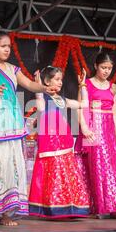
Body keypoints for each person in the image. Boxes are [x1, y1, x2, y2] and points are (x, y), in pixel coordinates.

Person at [0, 32, 57, 226]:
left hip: (12, 126)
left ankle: (7, 214)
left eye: (9, 46)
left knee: (12, 167)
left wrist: (44, 88)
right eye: (3, 46)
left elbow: (30, 85)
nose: (7, 49)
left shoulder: (13, 69)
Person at [28, 66, 91, 219]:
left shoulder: (62, 100)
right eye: (57, 79)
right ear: (47, 81)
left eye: (61, 79)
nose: (60, 82)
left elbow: (84, 105)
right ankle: (52, 208)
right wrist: (38, 88)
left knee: (66, 175)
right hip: (50, 145)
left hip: (64, 144)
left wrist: (83, 86)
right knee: (51, 174)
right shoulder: (43, 98)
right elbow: (41, 107)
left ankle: (69, 208)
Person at [74, 52, 116, 219]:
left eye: (109, 68)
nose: (106, 71)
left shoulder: (112, 87)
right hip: (92, 127)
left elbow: (114, 113)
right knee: (96, 165)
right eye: (103, 67)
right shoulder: (87, 84)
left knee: (112, 165)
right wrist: (85, 129)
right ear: (95, 66)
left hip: (108, 131)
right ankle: (98, 205)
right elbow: (80, 108)